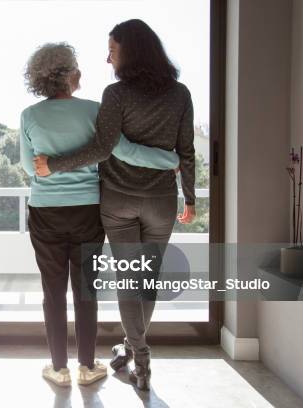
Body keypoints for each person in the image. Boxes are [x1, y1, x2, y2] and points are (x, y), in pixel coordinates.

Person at [33, 20, 196, 391]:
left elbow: (103, 148)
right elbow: (185, 152)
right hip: (161, 202)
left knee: (128, 280)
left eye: (113, 49)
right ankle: (132, 348)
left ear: (131, 50)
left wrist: (54, 164)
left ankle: (140, 355)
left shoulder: (116, 94)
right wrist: (190, 196)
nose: (108, 58)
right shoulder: (181, 93)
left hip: (119, 201)